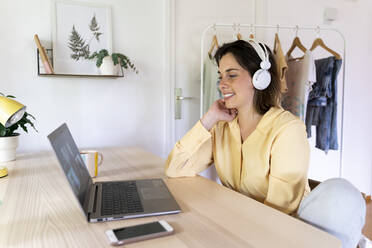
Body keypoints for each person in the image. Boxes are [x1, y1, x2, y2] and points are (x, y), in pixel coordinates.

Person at [165, 39, 366, 248]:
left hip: (285, 235)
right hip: (243, 228)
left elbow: (279, 213)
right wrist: (208, 119)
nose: (222, 83)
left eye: (231, 75)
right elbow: (175, 168)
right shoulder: (222, 126)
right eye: (221, 76)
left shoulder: (288, 129)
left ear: (260, 78)